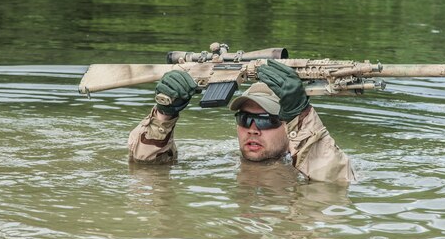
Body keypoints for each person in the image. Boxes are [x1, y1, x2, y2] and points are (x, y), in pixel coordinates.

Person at [128, 60, 355, 182]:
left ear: (290, 126)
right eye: (245, 119)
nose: (253, 130)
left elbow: (335, 183)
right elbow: (144, 167)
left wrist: (302, 113)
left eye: (266, 121)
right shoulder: (219, 162)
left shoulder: (304, 173)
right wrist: (164, 114)